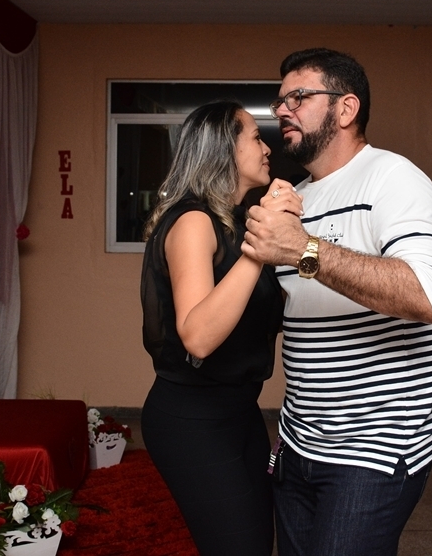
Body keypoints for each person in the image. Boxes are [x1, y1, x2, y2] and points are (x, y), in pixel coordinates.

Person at [242, 48, 432, 556]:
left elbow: (427, 295)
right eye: (280, 100)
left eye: (298, 97)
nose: (282, 110)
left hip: (373, 450)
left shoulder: (394, 177)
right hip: (298, 442)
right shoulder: (299, 197)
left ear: (346, 108)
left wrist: (303, 250)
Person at [139, 100, 301, 556]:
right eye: (256, 137)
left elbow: (266, 313)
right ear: (223, 149)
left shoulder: (235, 222)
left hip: (240, 411)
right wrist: (261, 247)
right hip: (191, 418)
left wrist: (295, 240)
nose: (267, 148)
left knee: (256, 542)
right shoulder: (194, 221)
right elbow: (198, 338)